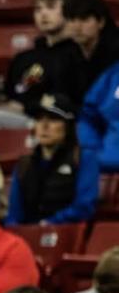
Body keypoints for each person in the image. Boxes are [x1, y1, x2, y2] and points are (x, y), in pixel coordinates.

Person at [7, 93, 98, 224]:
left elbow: (84, 207)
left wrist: (49, 223)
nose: (44, 126)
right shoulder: (24, 164)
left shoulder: (84, 158)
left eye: (53, 119)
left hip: (67, 231)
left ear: (68, 126)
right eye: (39, 119)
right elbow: (14, 215)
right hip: (27, 233)